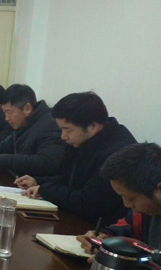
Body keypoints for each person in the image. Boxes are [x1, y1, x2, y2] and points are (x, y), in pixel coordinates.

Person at [15, 92, 135, 226]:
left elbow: (88, 202)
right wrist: (38, 182)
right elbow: (69, 180)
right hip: (76, 218)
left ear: (93, 126)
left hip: (100, 228)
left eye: (68, 130)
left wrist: (45, 189)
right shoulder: (82, 140)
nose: (63, 136)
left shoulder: (117, 153)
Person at [77, 143, 161, 270]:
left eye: (131, 198)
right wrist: (104, 240)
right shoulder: (148, 210)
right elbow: (128, 227)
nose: (126, 204)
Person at [0, 84, 65, 177]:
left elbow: (46, 162)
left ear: (27, 108)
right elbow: (4, 146)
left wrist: (3, 160)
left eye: (9, 112)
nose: (6, 118)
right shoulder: (25, 121)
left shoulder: (49, 125)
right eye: (4, 112)